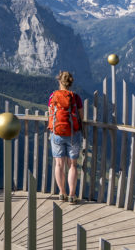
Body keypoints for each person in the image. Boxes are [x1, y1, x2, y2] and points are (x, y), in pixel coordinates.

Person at [47, 71, 83, 203]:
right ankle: (72, 195)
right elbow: (81, 116)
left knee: (59, 164)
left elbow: (51, 113)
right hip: (73, 134)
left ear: (59, 81)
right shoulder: (76, 97)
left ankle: (62, 193)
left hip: (57, 133)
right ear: (71, 83)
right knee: (72, 165)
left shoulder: (53, 96)